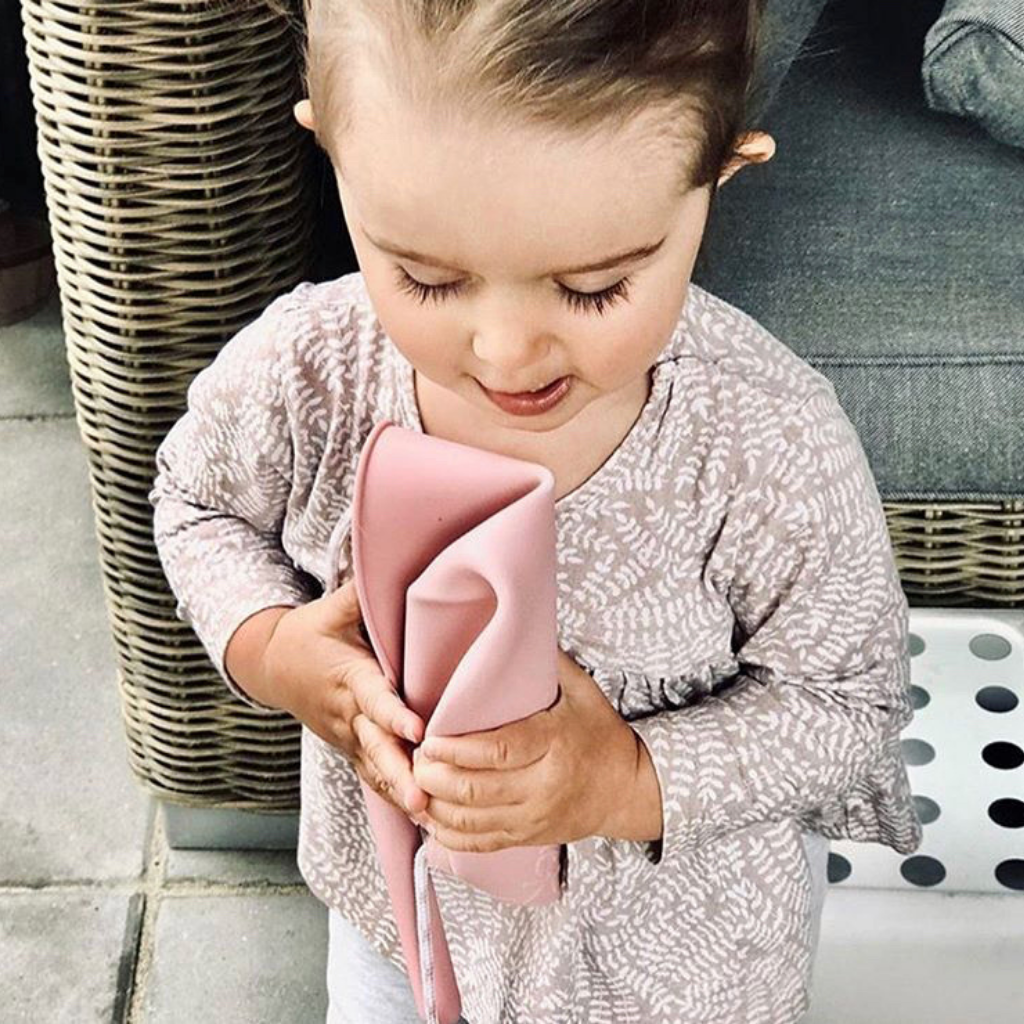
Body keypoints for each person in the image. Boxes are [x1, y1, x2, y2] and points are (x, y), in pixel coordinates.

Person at [148, 1, 923, 1021]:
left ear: (718, 175)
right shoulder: (310, 373)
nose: (506, 354)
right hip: (402, 933)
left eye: (596, 287)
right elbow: (196, 499)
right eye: (425, 277)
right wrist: (276, 649)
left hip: (673, 968)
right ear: (333, 154)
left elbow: (846, 704)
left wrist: (623, 777)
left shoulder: (764, 443)